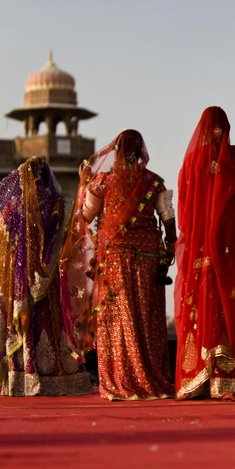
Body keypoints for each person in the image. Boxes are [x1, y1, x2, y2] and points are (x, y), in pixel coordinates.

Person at [62, 130, 176, 400]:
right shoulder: (154, 183)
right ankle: (151, 381)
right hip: (148, 261)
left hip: (114, 261)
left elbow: (85, 217)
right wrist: (170, 248)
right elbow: (168, 219)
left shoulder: (103, 182)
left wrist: (83, 185)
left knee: (119, 321)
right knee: (146, 320)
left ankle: (120, 382)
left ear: (116, 152)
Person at [174, 107, 235, 401]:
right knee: (230, 309)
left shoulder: (191, 163)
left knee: (202, 313)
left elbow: (185, 216)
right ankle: (232, 381)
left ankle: (201, 379)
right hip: (230, 253)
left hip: (200, 252)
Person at [0, 156, 92, 396]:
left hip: (22, 282)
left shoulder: (16, 204)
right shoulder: (59, 204)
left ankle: (26, 378)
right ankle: (59, 378)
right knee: (50, 322)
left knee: (29, 325)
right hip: (48, 280)